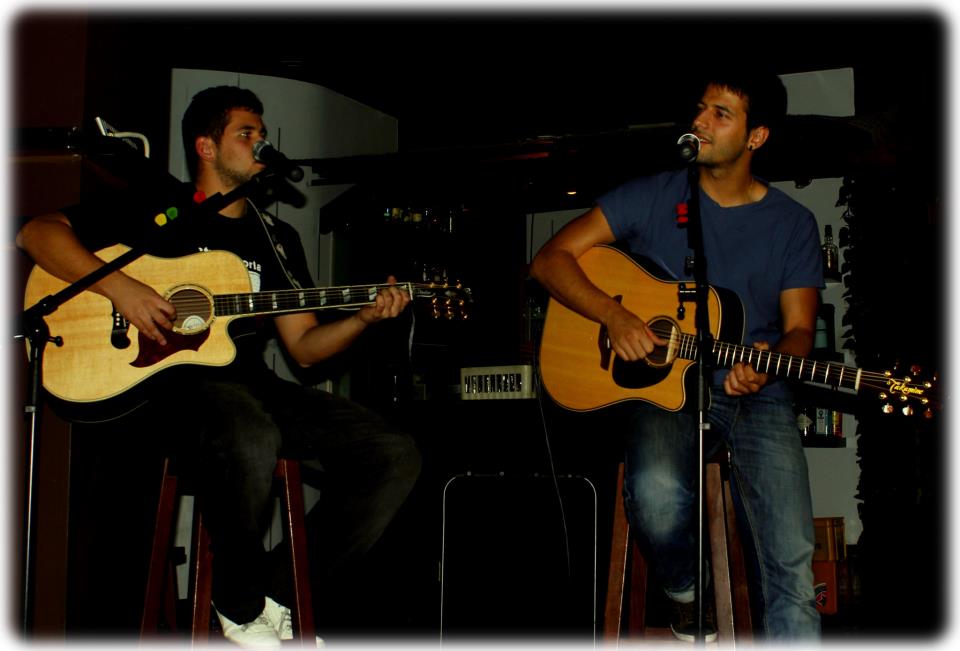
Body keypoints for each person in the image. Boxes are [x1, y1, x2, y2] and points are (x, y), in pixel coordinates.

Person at [17, 86, 422, 647]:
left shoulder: (276, 239)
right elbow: (36, 232)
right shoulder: (157, 208)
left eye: (262, 133)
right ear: (205, 147)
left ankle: (274, 594)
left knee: (394, 454)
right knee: (248, 431)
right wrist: (124, 289)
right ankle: (239, 605)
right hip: (175, 391)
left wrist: (362, 319)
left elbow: (305, 348)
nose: (260, 143)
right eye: (245, 133)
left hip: (252, 386)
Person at [530, 69, 822, 641]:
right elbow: (549, 260)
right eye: (701, 108)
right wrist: (613, 315)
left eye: (721, 114)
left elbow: (800, 332)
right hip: (664, 391)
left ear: (757, 136)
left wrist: (764, 368)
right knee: (657, 494)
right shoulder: (653, 195)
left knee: (792, 558)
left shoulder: (792, 223)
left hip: (756, 396)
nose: (700, 122)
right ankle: (688, 595)